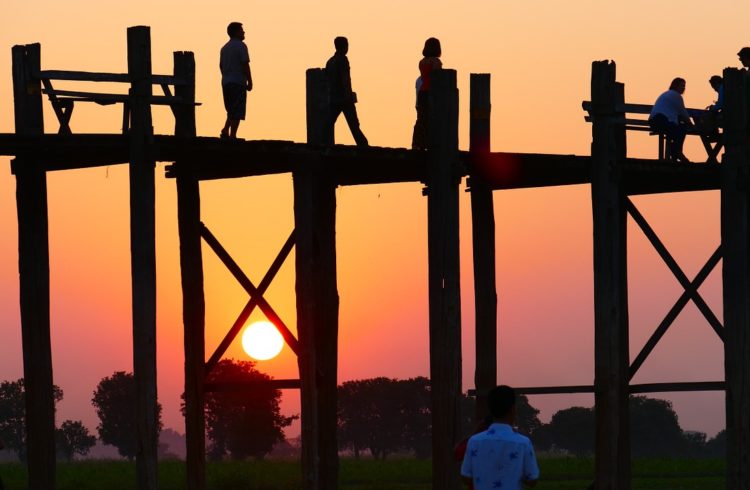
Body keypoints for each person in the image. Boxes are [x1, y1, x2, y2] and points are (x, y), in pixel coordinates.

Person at [461, 385, 540, 489]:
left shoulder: (474, 441)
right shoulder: (523, 443)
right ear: (513, 410)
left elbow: (465, 475)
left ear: (490, 410)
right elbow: (532, 479)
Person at [325, 36, 368, 147]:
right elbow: (345, 79)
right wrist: (349, 96)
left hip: (334, 98)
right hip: (344, 98)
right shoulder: (343, 60)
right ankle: (364, 146)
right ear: (344, 46)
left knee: (329, 123)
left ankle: (326, 144)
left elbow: (327, 80)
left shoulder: (330, 62)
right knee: (354, 125)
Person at [220, 22, 253, 139]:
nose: (244, 32)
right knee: (237, 110)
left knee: (231, 109)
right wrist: (250, 81)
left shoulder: (224, 48)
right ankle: (232, 135)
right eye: (241, 30)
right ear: (235, 32)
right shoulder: (241, 46)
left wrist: (226, 77)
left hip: (226, 82)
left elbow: (221, 66)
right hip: (238, 81)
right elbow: (245, 65)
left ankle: (225, 130)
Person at [648, 77, 693, 163]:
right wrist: (691, 124)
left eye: (684, 86)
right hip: (660, 120)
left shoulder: (667, 94)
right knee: (682, 129)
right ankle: (677, 152)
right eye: (682, 86)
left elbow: (677, 112)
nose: (684, 88)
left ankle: (675, 152)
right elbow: (683, 113)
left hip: (654, 121)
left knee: (677, 129)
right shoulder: (676, 95)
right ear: (676, 86)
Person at [412, 37, 442, 150]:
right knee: (432, 118)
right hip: (431, 92)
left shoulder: (422, 62)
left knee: (421, 118)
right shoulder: (436, 61)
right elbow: (437, 77)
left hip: (422, 92)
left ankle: (417, 143)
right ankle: (431, 143)